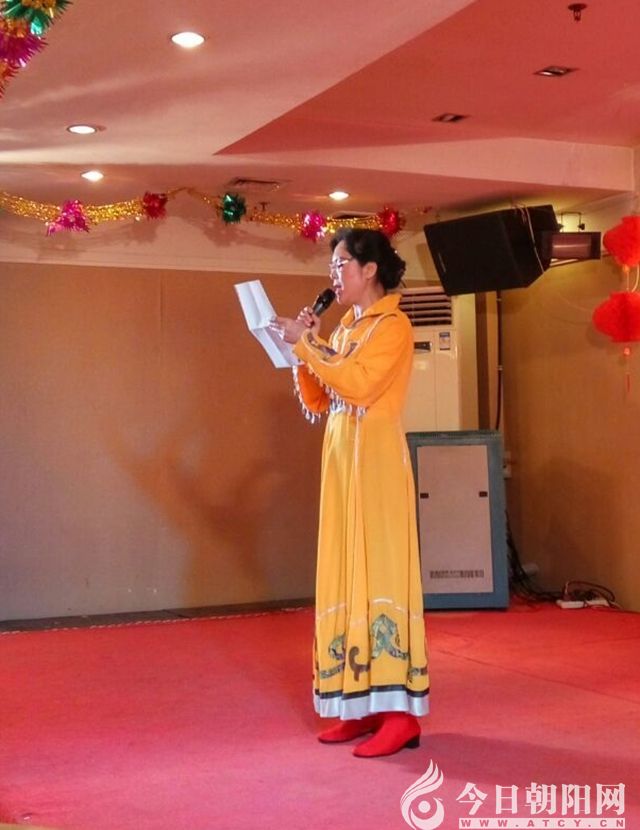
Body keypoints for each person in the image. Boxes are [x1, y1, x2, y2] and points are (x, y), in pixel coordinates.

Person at [272, 228, 429, 758]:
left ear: (370, 269)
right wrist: (306, 348)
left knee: (379, 573)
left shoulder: (393, 326)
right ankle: (358, 706)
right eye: (332, 267)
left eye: (341, 265)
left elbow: (360, 386)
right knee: (346, 571)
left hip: (378, 465)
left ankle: (400, 715)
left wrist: (308, 345)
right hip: (343, 463)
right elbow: (321, 399)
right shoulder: (345, 329)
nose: (333, 276)